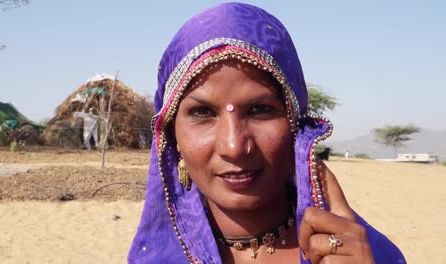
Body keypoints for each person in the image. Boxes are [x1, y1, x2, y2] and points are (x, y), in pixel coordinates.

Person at [129, 3, 405, 264]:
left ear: (296, 122)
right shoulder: (155, 255)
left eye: (260, 110)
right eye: (203, 113)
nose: (234, 146)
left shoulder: (366, 255)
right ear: (171, 134)